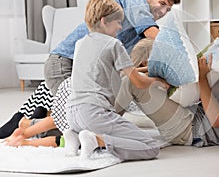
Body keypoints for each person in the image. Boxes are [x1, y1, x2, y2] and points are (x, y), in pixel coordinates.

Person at [63, 0, 169, 160]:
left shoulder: (80, 43)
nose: (120, 27)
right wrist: (158, 81)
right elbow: (138, 82)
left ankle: (75, 137)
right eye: (118, 22)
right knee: (151, 146)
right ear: (105, 21)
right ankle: (97, 141)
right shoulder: (113, 44)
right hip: (93, 113)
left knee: (122, 136)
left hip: (72, 113)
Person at [3, 38, 153, 148]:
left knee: (65, 127)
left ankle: (27, 127)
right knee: (66, 132)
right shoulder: (127, 72)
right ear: (143, 62)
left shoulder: (114, 61)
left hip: (74, 91)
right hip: (80, 97)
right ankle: (25, 132)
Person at [44, 0, 180, 95]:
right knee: (79, 113)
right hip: (66, 62)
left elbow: (129, 66)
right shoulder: (135, 0)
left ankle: (32, 121)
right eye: (162, 4)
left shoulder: (137, 33)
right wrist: (179, 50)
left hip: (86, 70)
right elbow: (151, 31)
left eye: (168, 9)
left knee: (84, 112)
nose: (163, 12)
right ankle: (29, 123)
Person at [115, 53, 219, 147]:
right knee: (135, 78)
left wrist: (202, 77)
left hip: (189, 128)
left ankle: (106, 124)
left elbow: (217, 120)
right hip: (190, 113)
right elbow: (218, 90)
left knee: (131, 82)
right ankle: (107, 121)